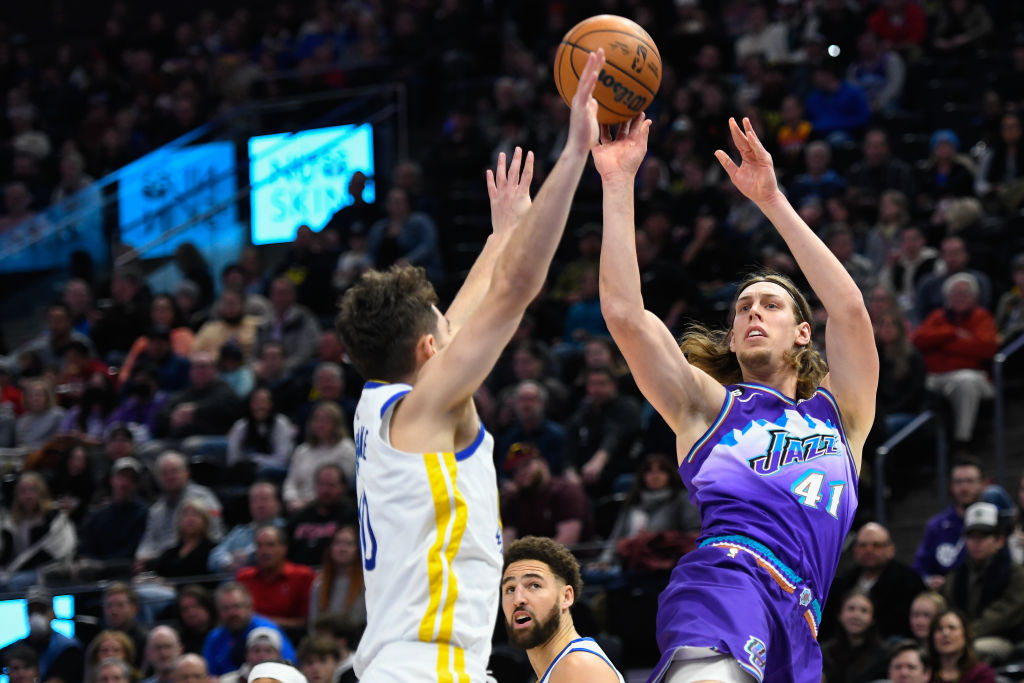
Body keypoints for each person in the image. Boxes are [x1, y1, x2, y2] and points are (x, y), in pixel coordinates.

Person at [334, 49, 606, 682]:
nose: (449, 326)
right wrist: (573, 158)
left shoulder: (381, 403)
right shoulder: (429, 407)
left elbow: (458, 320)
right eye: (439, 324)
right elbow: (512, 294)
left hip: (407, 663)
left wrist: (500, 233)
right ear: (430, 349)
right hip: (431, 668)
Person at [596, 114, 877, 681]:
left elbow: (848, 310)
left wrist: (772, 201)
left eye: (771, 305)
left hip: (802, 621)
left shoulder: (840, 415)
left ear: (803, 331)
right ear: (730, 336)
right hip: (727, 581)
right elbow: (626, 316)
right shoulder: (708, 408)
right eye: (744, 307)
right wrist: (618, 182)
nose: (753, 311)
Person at [501, 536, 624, 682]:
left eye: (534, 585)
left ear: (566, 597)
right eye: (510, 589)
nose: (518, 599)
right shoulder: (560, 668)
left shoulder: (577, 667)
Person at [940, 502, 1024, 660]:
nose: (976, 542)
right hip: (962, 636)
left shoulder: (1016, 574)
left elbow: (1001, 616)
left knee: (973, 650)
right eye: (971, 536)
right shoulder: (956, 575)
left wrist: (964, 634)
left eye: (983, 536)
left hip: (1005, 639)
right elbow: (947, 609)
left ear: (1000, 540)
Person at [823, 523, 925, 640]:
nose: (869, 550)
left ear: (891, 550)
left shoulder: (909, 581)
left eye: (876, 545)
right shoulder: (843, 582)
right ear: (855, 550)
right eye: (863, 545)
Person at [135, 451, 223, 565]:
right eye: (164, 473)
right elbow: (148, 541)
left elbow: (215, 535)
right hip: (161, 564)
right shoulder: (156, 510)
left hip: (195, 561)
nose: (170, 477)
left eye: (174, 471)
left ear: (186, 473)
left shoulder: (203, 498)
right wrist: (142, 557)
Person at [914, 457, 986, 589]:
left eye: (970, 481)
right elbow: (920, 567)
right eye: (959, 482)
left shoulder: (994, 522)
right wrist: (928, 580)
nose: (964, 488)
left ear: (981, 484)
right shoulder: (936, 526)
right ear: (951, 487)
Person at [0, 471, 76, 591]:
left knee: (15, 583)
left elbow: (56, 550)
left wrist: (13, 569)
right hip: (16, 571)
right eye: (23, 491)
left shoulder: (55, 518)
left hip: (48, 570)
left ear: (41, 492)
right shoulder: (11, 522)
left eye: (32, 490)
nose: (27, 495)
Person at [203, 583, 295, 676]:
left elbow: (289, 665)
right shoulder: (214, 638)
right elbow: (209, 674)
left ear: (249, 607)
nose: (232, 613)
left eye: (236, 606)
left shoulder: (268, 631)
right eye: (226, 608)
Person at [236, 525, 315, 631]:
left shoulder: (303, 576)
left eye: (270, 545)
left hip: (291, 638)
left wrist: (263, 623)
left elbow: (307, 622)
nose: (264, 551)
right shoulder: (244, 577)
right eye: (259, 546)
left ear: (284, 549)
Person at [282, 402, 355, 511]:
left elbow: (340, 486)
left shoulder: (346, 448)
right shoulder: (302, 450)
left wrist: (308, 504)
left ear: (336, 424)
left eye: (326, 420)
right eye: (316, 420)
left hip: (329, 506)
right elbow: (290, 483)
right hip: (297, 505)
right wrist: (292, 500)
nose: (320, 424)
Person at [0, 587, 83, 683]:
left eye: (41, 610)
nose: (36, 616)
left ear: (53, 613)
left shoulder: (69, 649)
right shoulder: (14, 649)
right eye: (31, 611)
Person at [286, 463, 356, 566]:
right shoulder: (300, 517)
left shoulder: (352, 516)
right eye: (322, 484)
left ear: (343, 487)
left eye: (331, 485)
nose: (325, 490)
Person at [209, 481, 286, 573]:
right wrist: (228, 561)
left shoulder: (286, 529)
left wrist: (246, 557)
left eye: (265, 499)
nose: (260, 505)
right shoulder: (239, 532)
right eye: (255, 500)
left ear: (277, 504)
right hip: (234, 583)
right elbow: (213, 558)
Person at [226, 388, 296, 482]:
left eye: (263, 401)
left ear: (270, 404)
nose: (260, 406)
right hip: (246, 471)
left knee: (264, 472)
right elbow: (233, 459)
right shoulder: (241, 426)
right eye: (256, 402)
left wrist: (256, 460)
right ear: (251, 404)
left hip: (273, 471)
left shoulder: (281, 424)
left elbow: (282, 459)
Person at [820, 590, 888, 683]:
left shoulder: (883, 655)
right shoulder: (824, 652)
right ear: (839, 615)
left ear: (872, 619)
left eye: (864, 611)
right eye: (851, 609)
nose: (856, 616)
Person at [307, 524, 366, 629]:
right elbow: (313, 625)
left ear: (358, 549)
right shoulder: (318, 585)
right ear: (330, 549)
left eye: (349, 544)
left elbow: (361, 621)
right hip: (324, 642)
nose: (342, 549)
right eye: (337, 543)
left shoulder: (366, 584)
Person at [927, 609, 996, 683]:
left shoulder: (982, 674)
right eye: (939, 629)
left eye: (952, 627)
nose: (945, 633)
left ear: (965, 634)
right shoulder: (923, 672)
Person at [218, 627, 282, 683]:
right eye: (256, 650)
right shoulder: (226, 681)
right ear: (246, 654)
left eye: (268, 651)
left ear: (279, 655)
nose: (261, 655)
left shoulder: (289, 680)